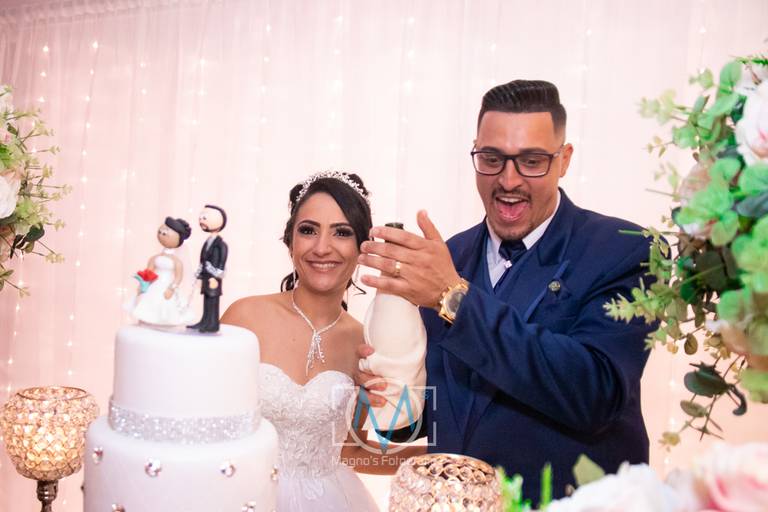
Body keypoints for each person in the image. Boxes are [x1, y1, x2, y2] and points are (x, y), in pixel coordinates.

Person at [357, 80, 655, 501]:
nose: (508, 180)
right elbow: (441, 414)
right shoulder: (449, 256)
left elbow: (594, 395)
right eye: (492, 159)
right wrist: (392, 396)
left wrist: (453, 298)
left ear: (564, 160)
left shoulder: (624, 249)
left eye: (532, 161)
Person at [222, 171, 423, 512]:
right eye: (308, 230)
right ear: (290, 242)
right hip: (239, 494)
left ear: (363, 248)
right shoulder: (245, 317)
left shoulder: (366, 343)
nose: (321, 247)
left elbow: (352, 453)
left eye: (341, 232)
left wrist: (442, 452)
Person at [129, 216, 195, 326]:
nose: (162, 234)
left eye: (165, 233)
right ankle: (147, 321)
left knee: (165, 305)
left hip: (166, 286)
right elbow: (148, 272)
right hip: (154, 285)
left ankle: (163, 323)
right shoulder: (155, 258)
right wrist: (143, 284)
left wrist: (171, 288)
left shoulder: (177, 261)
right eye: (161, 232)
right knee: (148, 303)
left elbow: (178, 277)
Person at [189, 204, 228, 333]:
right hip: (206, 277)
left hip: (213, 278)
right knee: (206, 300)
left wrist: (216, 277)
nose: (201, 220)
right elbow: (204, 259)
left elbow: (221, 263)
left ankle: (212, 324)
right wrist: (199, 274)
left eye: (205, 217)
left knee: (213, 301)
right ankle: (205, 321)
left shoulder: (221, 245)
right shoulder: (207, 241)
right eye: (201, 217)